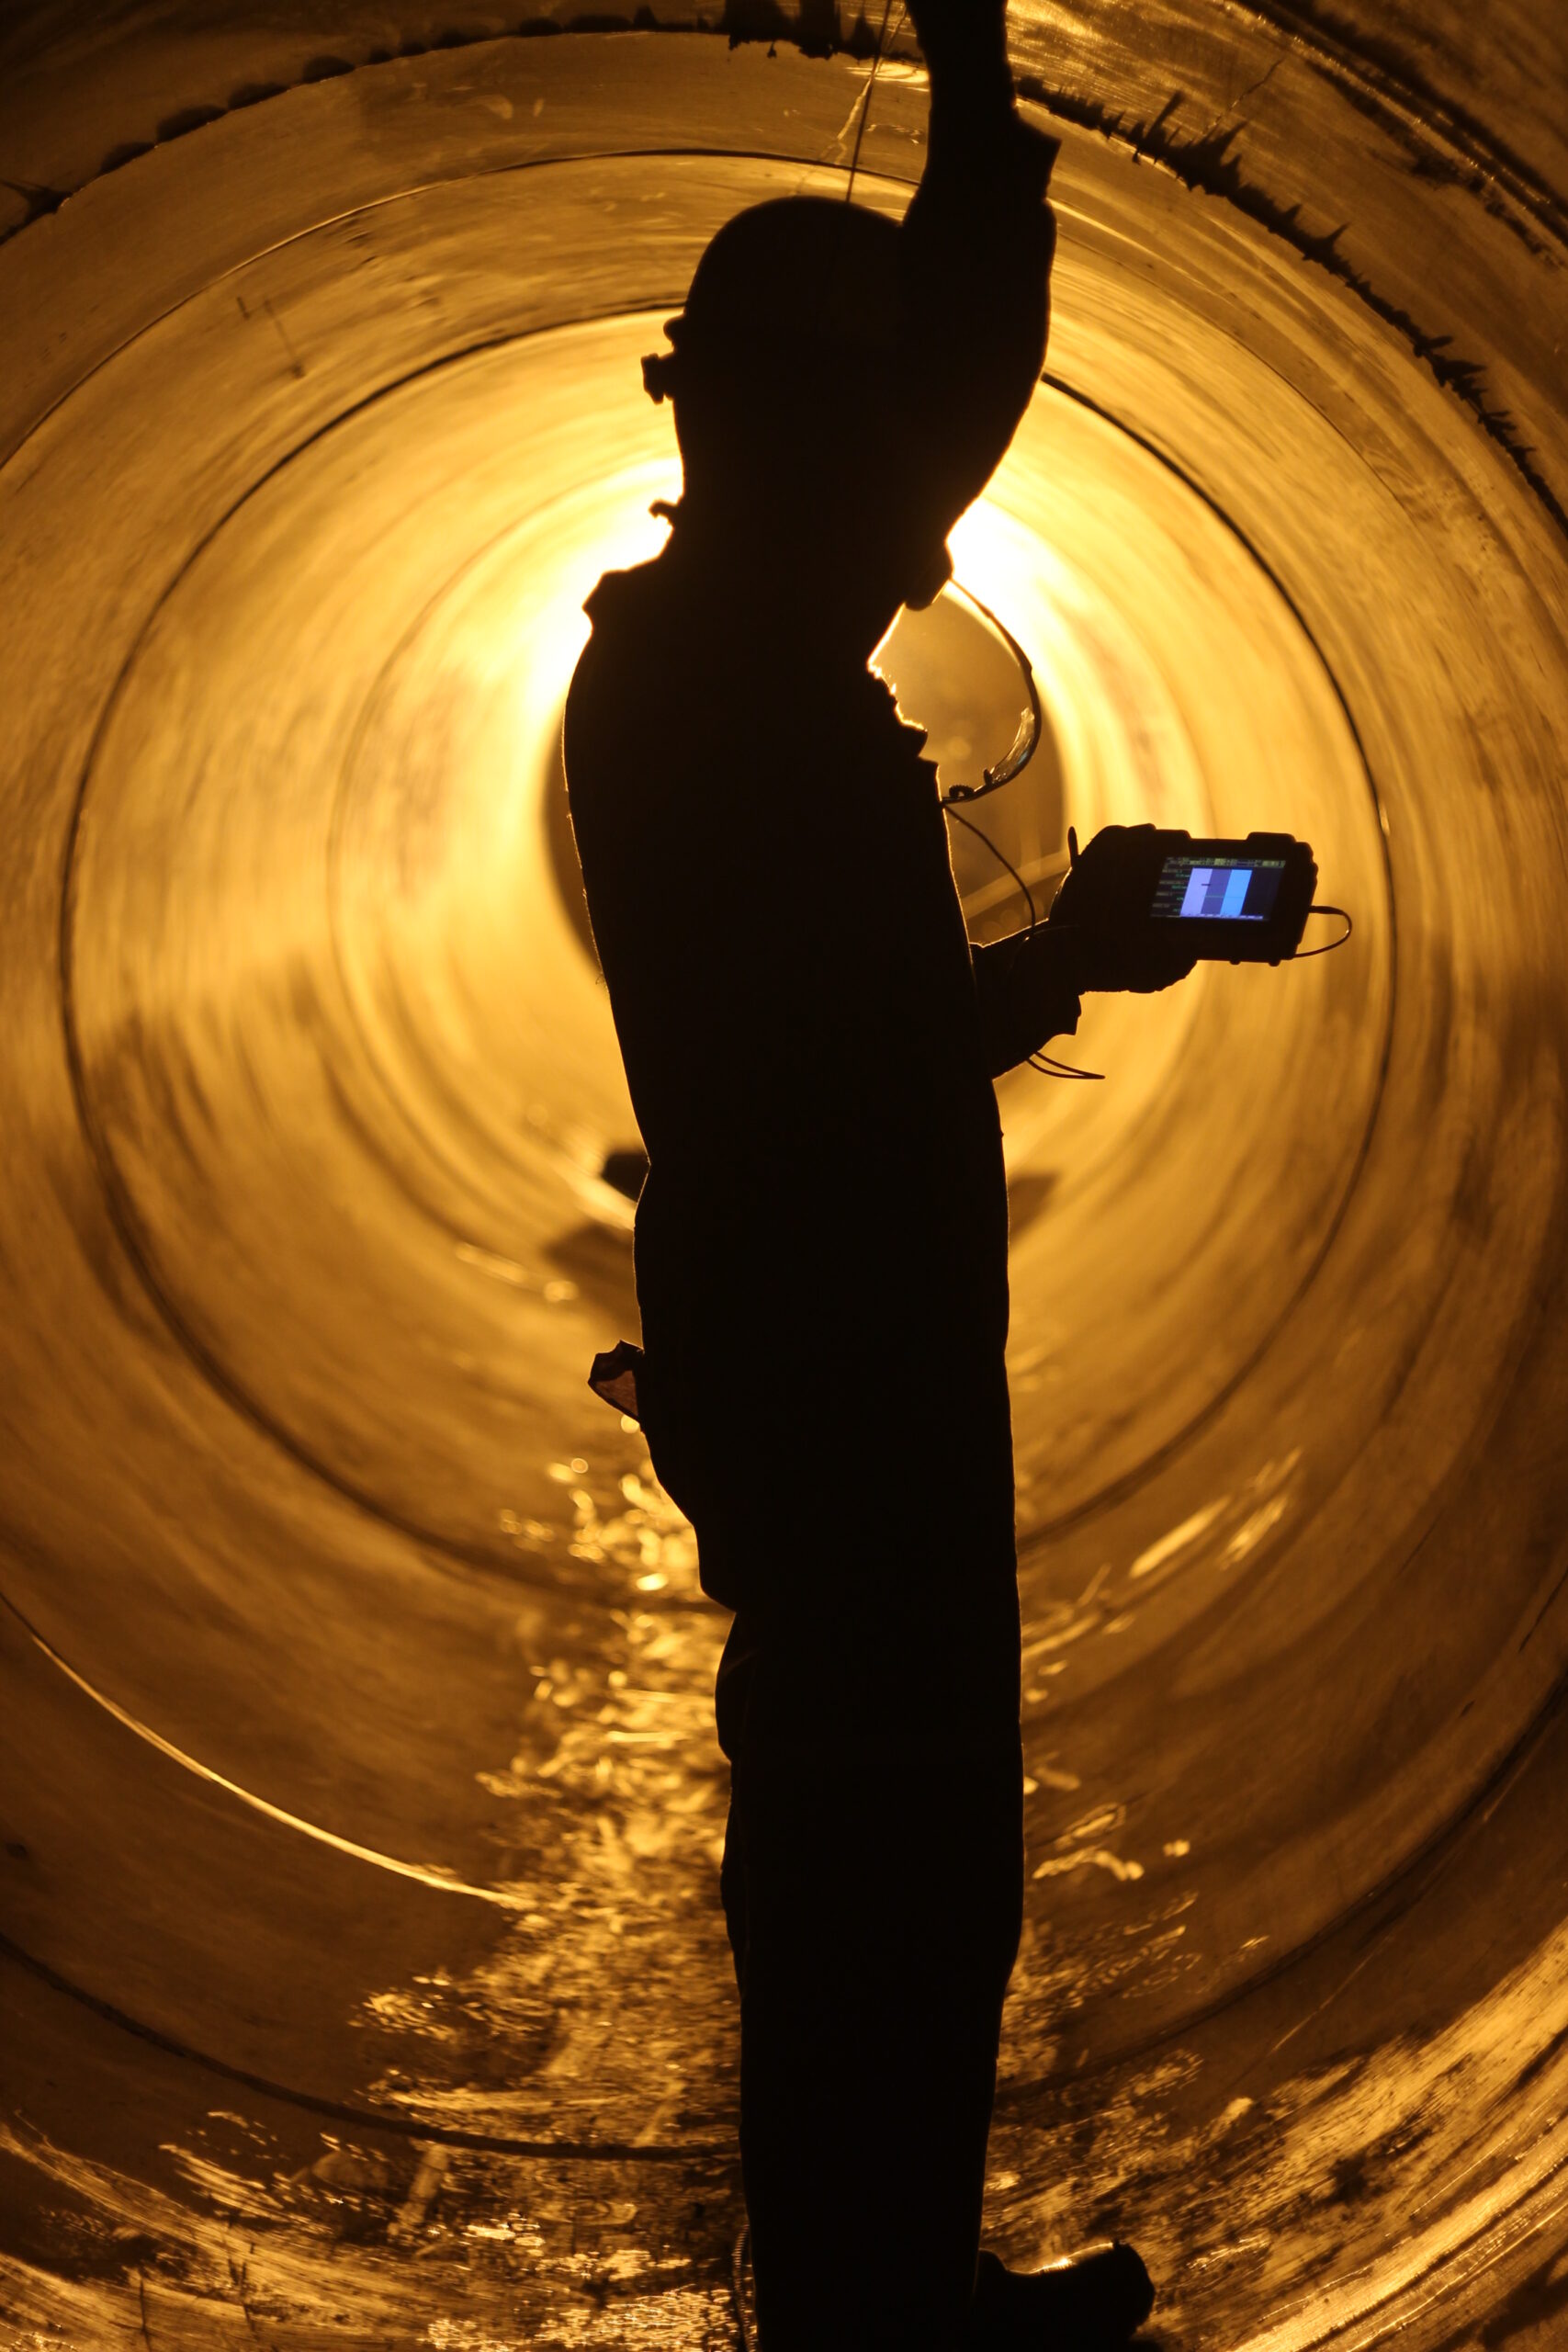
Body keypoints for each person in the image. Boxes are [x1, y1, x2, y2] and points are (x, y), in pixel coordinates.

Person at [564, 5, 1190, 2341]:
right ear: (789, 441)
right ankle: (863, 2307)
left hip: (842, 1349)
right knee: (872, 1844)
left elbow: (949, 390)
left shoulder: (727, 649)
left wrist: (967, 83)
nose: (925, 505)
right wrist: (1067, 963)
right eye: (883, 461)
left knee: (904, 1841)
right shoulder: (716, 701)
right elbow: (822, 1067)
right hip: (828, 1368)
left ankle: (886, 2274)